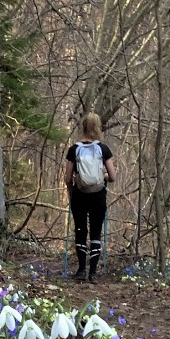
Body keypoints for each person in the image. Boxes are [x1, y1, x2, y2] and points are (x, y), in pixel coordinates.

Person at [63, 113, 117, 283]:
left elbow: (67, 178)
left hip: (80, 195)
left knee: (80, 231)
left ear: (83, 126)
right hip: (98, 195)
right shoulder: (103, 149)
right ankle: (92, 273)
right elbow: (113, 176)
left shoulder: (74, 149)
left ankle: (80, 271)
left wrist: (72, 189)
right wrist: (103, 177)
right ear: (98, 127)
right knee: (95, 232)